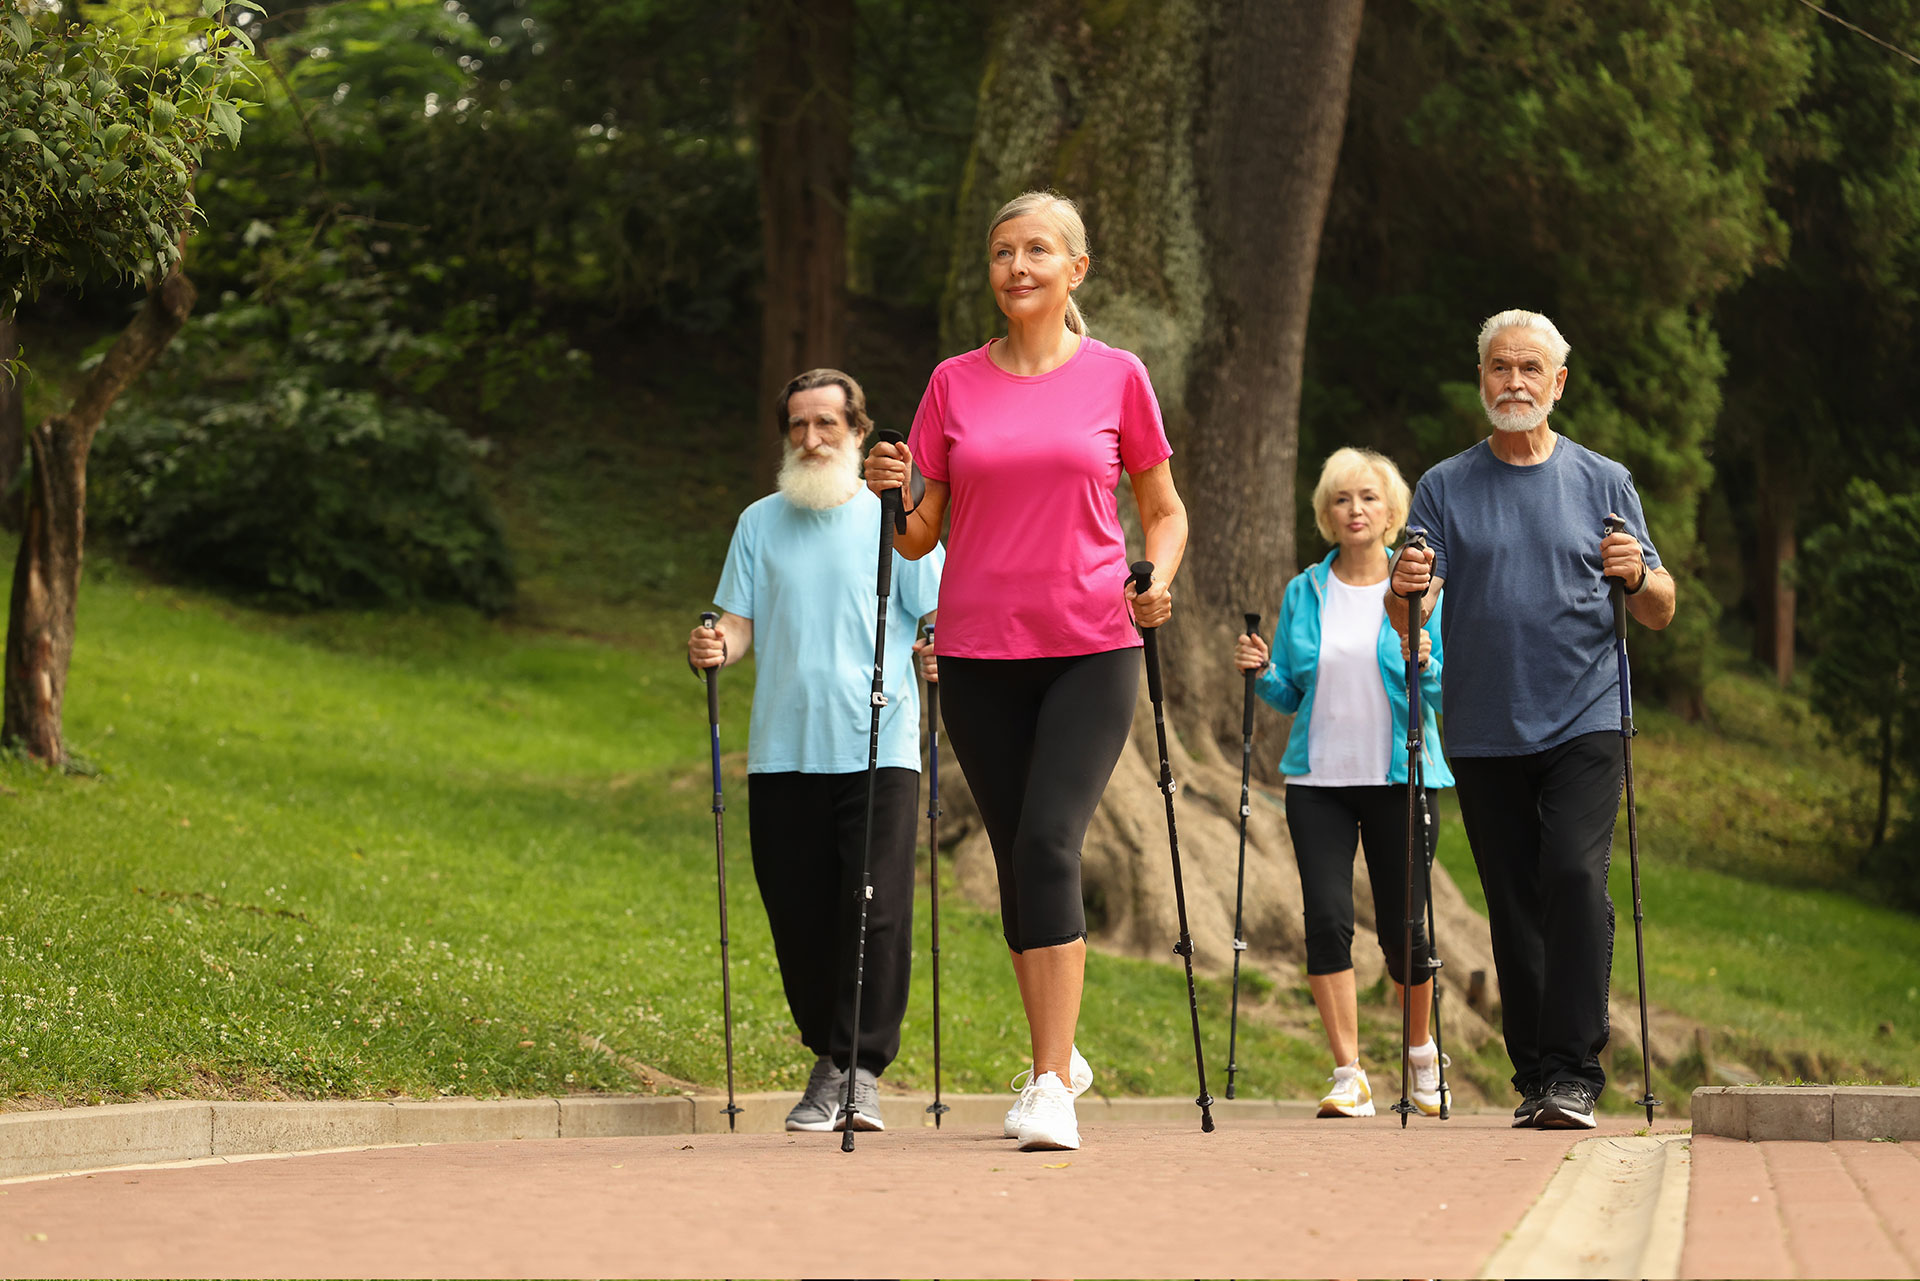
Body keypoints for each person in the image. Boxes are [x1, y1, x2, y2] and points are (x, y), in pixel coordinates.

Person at [864, 190, 1188, 1152]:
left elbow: (1163, 510)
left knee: (1050, 840)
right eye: (1003, 251)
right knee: (1017, 856)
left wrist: (1156, 580)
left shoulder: (1118, 377)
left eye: (1037, 250)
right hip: (977, 653)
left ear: (1075, 269)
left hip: (1091, 643)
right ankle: (1059, 1045)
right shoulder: (952, 383)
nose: (1017, 266)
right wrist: (894, 495)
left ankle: (1050, 1082)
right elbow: (922, 536)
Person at [1389, 309, 1677, 1131]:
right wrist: (1409, 584)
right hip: (1483, 724)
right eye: (1498, 368)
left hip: (1588, 712)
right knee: (1514, 900)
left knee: (1578, 877)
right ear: (1482, 380)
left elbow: (1659, 607)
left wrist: (1637, 574)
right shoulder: (1445, 485)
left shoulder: (1604, 480)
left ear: (1558, 382)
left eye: (1529, 369)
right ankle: (1536, 1075)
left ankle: (1576, 1070)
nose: (1512, 382)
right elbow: (1410, 611)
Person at [688, 367, 943, 1134]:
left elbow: (937, 621)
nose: (810, 438)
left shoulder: (896, 524)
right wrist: (714, 643)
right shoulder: (760, 522)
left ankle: (860, 1068)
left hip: (879, 743)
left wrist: (937, 649)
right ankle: (827, 1055)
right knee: (797, 914)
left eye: (826, 423)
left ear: (858, 431)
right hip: (782, 751)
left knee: (875, 911)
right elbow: (739, 623)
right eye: (798, 425)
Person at [1234, 447, 1453, 1119]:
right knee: (1326, 921)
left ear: (1391, 511)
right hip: (1318, 780)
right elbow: (1291, 689)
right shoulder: (1306, 589)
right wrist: (1260, 669)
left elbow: (1447, 685)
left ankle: (1420, 1054)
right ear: (1326, 514)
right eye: (1340, 499)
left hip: (1402, 776)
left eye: (1367, 497)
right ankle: (1348, 1072)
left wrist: (1425, 659)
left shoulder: (1422, 586)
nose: (1354, 509)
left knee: (1403, 932)